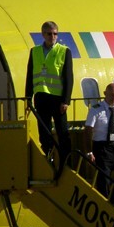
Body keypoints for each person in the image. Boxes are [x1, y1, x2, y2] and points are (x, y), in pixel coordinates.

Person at [25, 20, 73, 164]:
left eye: (55, 34)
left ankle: (67, 162)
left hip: (57, 99)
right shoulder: (35, 51)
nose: (53, 36)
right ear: (43, 34)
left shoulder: (64, 51)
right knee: (44, 131)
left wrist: (66, 100)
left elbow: (68, 77)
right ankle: (49, 157)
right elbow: (30, 75)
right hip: (41, 97)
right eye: (49, 33)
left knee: (62, 132)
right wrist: (28, 97)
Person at [84, 83, 114, 201]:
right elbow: (88, 130)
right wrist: (89, 151)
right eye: (112, 95)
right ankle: (105, 202)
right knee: (104, 180)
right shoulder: (96, 110)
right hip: (102, 147)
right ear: (105, 94)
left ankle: (112, 201)